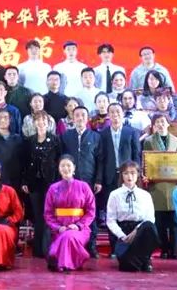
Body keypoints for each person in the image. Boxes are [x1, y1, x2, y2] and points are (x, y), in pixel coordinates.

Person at [60, 105, 102, 258]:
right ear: (72, 118)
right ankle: (71, 245)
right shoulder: (66, 136)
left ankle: (91, 246)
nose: (80, 118)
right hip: (70, 182)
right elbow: (62, 159)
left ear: (87, 118)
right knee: (71, 213)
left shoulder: (96, 137)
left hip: (89, 181)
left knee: (91, 214)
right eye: (77, 115)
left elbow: (100, 160)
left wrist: (98, 180)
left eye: (83, 115)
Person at [44, 154, 96, 271]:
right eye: (62, 165)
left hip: (80, 229)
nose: (65, 168)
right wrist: (58, 227)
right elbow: (48, 213)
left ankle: (62, 262)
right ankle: (68, 262)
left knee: (69, 236)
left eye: (68, 165)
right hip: (58, 230)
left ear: (74, 168)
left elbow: (91, 211)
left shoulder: (84, 186)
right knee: (66, 235)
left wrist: (78, 225)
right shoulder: (53, 188)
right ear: (59, 168)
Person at [106, 160, 159, 272]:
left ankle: (146, 259)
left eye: (133, 173)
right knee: (129, 267)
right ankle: (137, 260)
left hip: (141, 230)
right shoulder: (114, 195)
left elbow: (150, 218)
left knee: (149, 227)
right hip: (123, 231)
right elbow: (110, 220)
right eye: (126, 173)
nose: (129, 176)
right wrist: (122, 236)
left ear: (138, 174)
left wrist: (137, 230)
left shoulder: (145, 195)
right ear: (121, 175)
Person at [142, 113, 177, 260]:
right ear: (153, 125)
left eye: (163, 121)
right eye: (157, 122)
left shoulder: (176, 141)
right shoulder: (148, 141)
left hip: (173, 184)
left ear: (168, 123)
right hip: (156, 184)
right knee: (160, 220)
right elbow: (146, 161)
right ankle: (164, 249)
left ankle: (175, 250)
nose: (160, 124)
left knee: (174, 220)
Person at [22, 111, 60, 257]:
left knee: (48, 215)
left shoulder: (55, 140)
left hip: (50, 182)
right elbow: (25, 163)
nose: (41, 122)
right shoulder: (29, 141)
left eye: (43, 120)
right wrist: (24, 181)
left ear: (48, 122)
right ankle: (37, 249)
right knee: (38, 216)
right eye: (38, 120)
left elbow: (59, 161)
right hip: (34, 182)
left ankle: (47, 249)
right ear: (34, 123)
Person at [97, 103, 142, 216]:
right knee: (111, 207)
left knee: (127, 205)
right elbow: (101, 159)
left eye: (118, 111)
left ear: (123, 113)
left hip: (127, 174)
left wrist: (137, 173)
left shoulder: (132, 132)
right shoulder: (102, 134)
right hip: (109, 175)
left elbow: (136, 155)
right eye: (112, 112)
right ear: (108, 115)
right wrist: (99, 179)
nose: (115, 114)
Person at [0, 110, 24, 194]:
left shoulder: (18, 139)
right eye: (0, 117)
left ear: (10, 120)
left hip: (15, 179)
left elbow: (22, 161)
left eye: (5, 118)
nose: (2, 120)